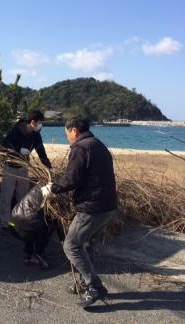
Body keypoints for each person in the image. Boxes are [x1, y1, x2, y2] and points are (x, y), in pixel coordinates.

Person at [40, 115, 117, 307]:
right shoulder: (98, 144)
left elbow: (72, 179)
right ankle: (84, 281)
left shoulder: (81, 147)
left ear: (74, 130)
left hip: (92, 207)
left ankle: (95, 287)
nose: (68, 138)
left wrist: (52, 188)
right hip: (107, 205)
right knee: (86, 243)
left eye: (67, 134)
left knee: (71, 245)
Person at [0, 110, 52, 228]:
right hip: (10, 168)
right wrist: (18, 150)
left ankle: (20, 221)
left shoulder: (36, 135)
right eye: (40, 123)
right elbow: (4, 145)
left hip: (23, 168)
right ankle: (5, 222)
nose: (40, 125)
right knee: (6, 197)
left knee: (22, 197)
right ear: (33, 122)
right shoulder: (16, 130)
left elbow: (41, 151)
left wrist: (49, 167)